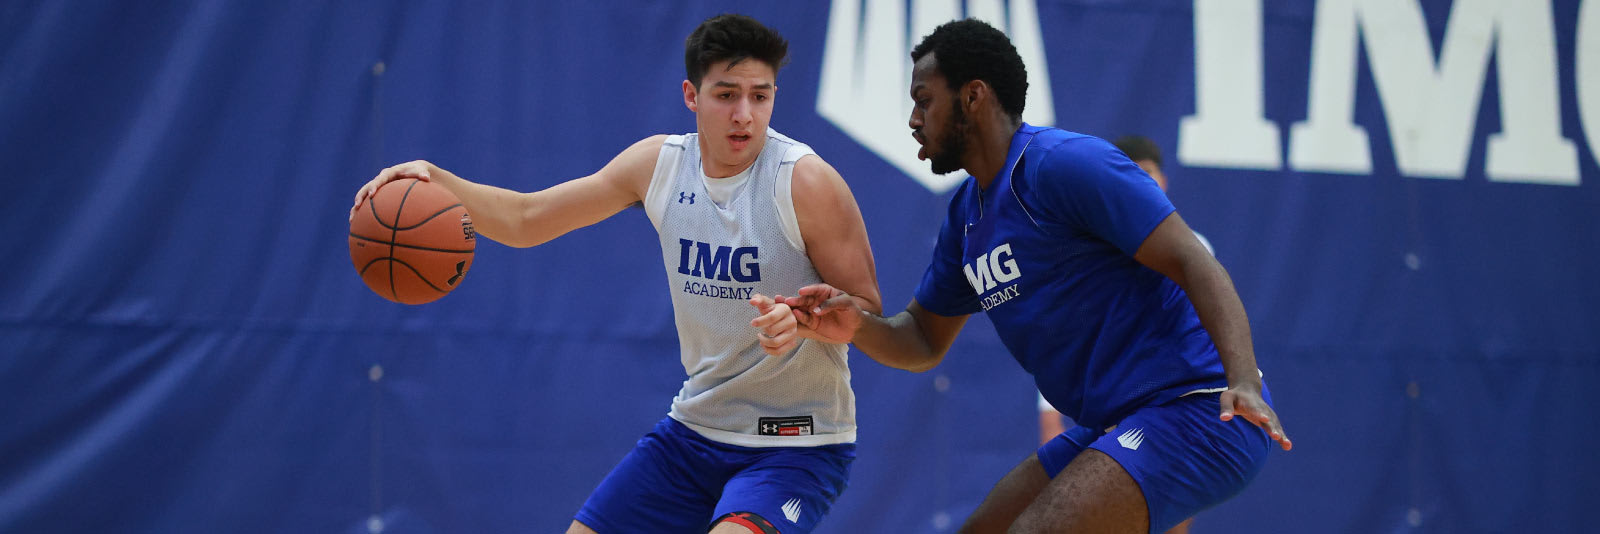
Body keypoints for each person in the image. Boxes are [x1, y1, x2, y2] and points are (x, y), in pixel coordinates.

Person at [349, 14, 882, 534]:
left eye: (760, 95)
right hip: (695, 431)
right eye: (726, 95)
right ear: (691, 96)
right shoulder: (660, 165)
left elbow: (868, 310)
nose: (744, 113)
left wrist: (806, 322)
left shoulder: (805, 182)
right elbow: (526, 219)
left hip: (795, 441)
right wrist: (438, 180)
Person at [782, 19, 1290, 533]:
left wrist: (1244, 380)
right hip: (1117, 424)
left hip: (1199, 409)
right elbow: (922, 340)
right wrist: (855, 326)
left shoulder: (1064, 165)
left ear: (973, 96)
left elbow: (1194, 260)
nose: (913, 119)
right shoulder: (967, 217)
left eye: (924, 100)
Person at [1033, 135, 1211, 533]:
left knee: (1174, 513)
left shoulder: (1196, 249)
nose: (1141, 183)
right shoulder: (1093, 253)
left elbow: (1207, 330)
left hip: (1181, 400)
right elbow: (1065, 336)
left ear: (1162, 179)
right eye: (1130, 175)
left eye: (1147, 173)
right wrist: (1049, 414)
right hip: (1119, 402)